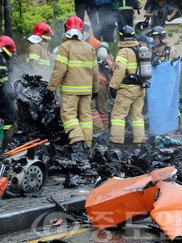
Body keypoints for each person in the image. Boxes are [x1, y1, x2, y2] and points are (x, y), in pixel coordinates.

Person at [47, 16, 99, 149]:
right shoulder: (90, 48)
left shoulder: (64, 47)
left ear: (66, 29)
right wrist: (95, 90)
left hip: (70, 91)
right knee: (86, 118)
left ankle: (77, 143)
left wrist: (51, 88)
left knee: (69, 116)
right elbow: (95, 72)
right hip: (86, 91)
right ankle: (87, 145)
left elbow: (60, 69)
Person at [109, 25, 145, 147]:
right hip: (140, 88)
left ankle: (116, 143)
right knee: (137, 117)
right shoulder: (139, 49)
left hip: (127, 89)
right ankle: (139, 143)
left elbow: (120, 70)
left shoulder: (124, 51)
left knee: (118, 116)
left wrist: (113, 86)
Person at [92, 42, 114, 132]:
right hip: (103, 85)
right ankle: (104, 131)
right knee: (102, 108)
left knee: (90, 107)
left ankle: (98, 128)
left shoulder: (94, 55)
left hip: (92, 83)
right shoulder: (111, 58)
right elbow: (113, 74)